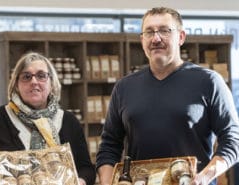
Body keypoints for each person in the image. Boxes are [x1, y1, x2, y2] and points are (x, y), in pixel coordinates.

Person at [96, 7, 239, 185]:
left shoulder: (209, 82)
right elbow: (109, 145)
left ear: (181, 37)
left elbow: (233, 139)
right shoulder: (124, 87)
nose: (156, 38)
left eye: (164, 30)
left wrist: (206, 176)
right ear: (142, 40)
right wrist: (109, 182)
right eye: (149, 32)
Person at [0, 52, 96, 185]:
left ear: (52, 84)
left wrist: (80, 181)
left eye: (41, 76)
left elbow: (86, 169)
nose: (34, 81)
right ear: (16, 85)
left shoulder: (69, 121)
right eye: (26, 77)